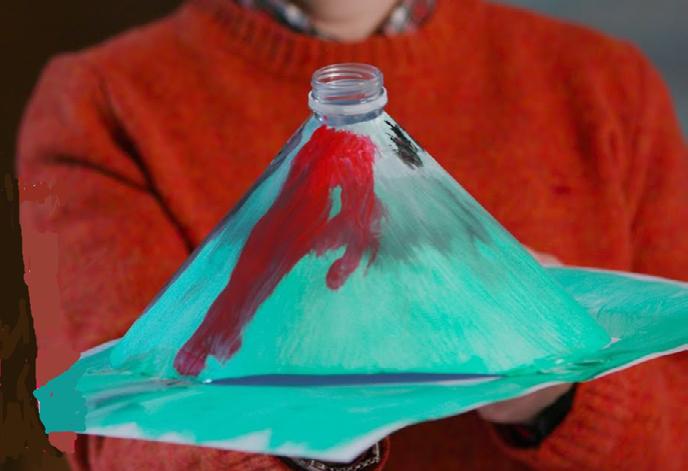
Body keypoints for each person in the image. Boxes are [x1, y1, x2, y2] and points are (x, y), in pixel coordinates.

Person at [17, 0, 688, 470]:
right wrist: (312, 427)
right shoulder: (100, 102)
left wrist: (557, 392)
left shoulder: (606, 85)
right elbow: (119, 438)